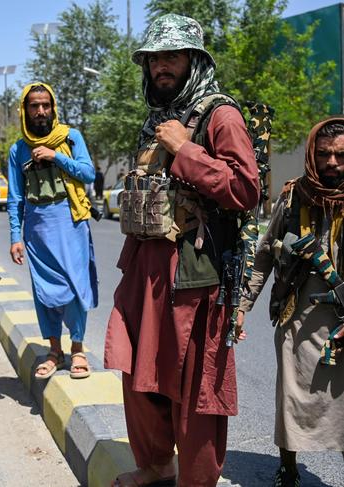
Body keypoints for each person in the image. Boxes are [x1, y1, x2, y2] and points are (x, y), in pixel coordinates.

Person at [104, 14, 259, 487]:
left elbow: (246, 189)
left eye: (170, 57)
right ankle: (155, 466)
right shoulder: (157, 118)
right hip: (143, 270)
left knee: (195, 390)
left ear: (194, 60)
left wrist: (187, 150)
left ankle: (195, 480)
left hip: (193, 275)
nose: (160, 68)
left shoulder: (220, 116)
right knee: (136, 374)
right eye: (153, 60)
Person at [238, 118, 344, 486]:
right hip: (298, 312)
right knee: (292, 393)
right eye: (324, 154)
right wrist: (242, 306)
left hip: (342, 315)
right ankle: (288, 466)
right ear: (312, 156)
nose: (332, 163)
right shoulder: (293, 196)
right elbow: (265, 255)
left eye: (341, 156)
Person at [7, 82, 98, 380]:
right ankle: (55, 351)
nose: (41, 111)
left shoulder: (71, 138)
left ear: (53, 106)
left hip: (72, 224)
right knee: (45, 291)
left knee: (74, 287)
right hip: (38, 231)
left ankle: (78, 348)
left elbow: (88, 173)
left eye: (46, 104)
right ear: (25, 110)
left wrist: (55, 156)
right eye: (34, 105)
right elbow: (15, 198)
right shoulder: (18, 149)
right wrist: (14, 237)